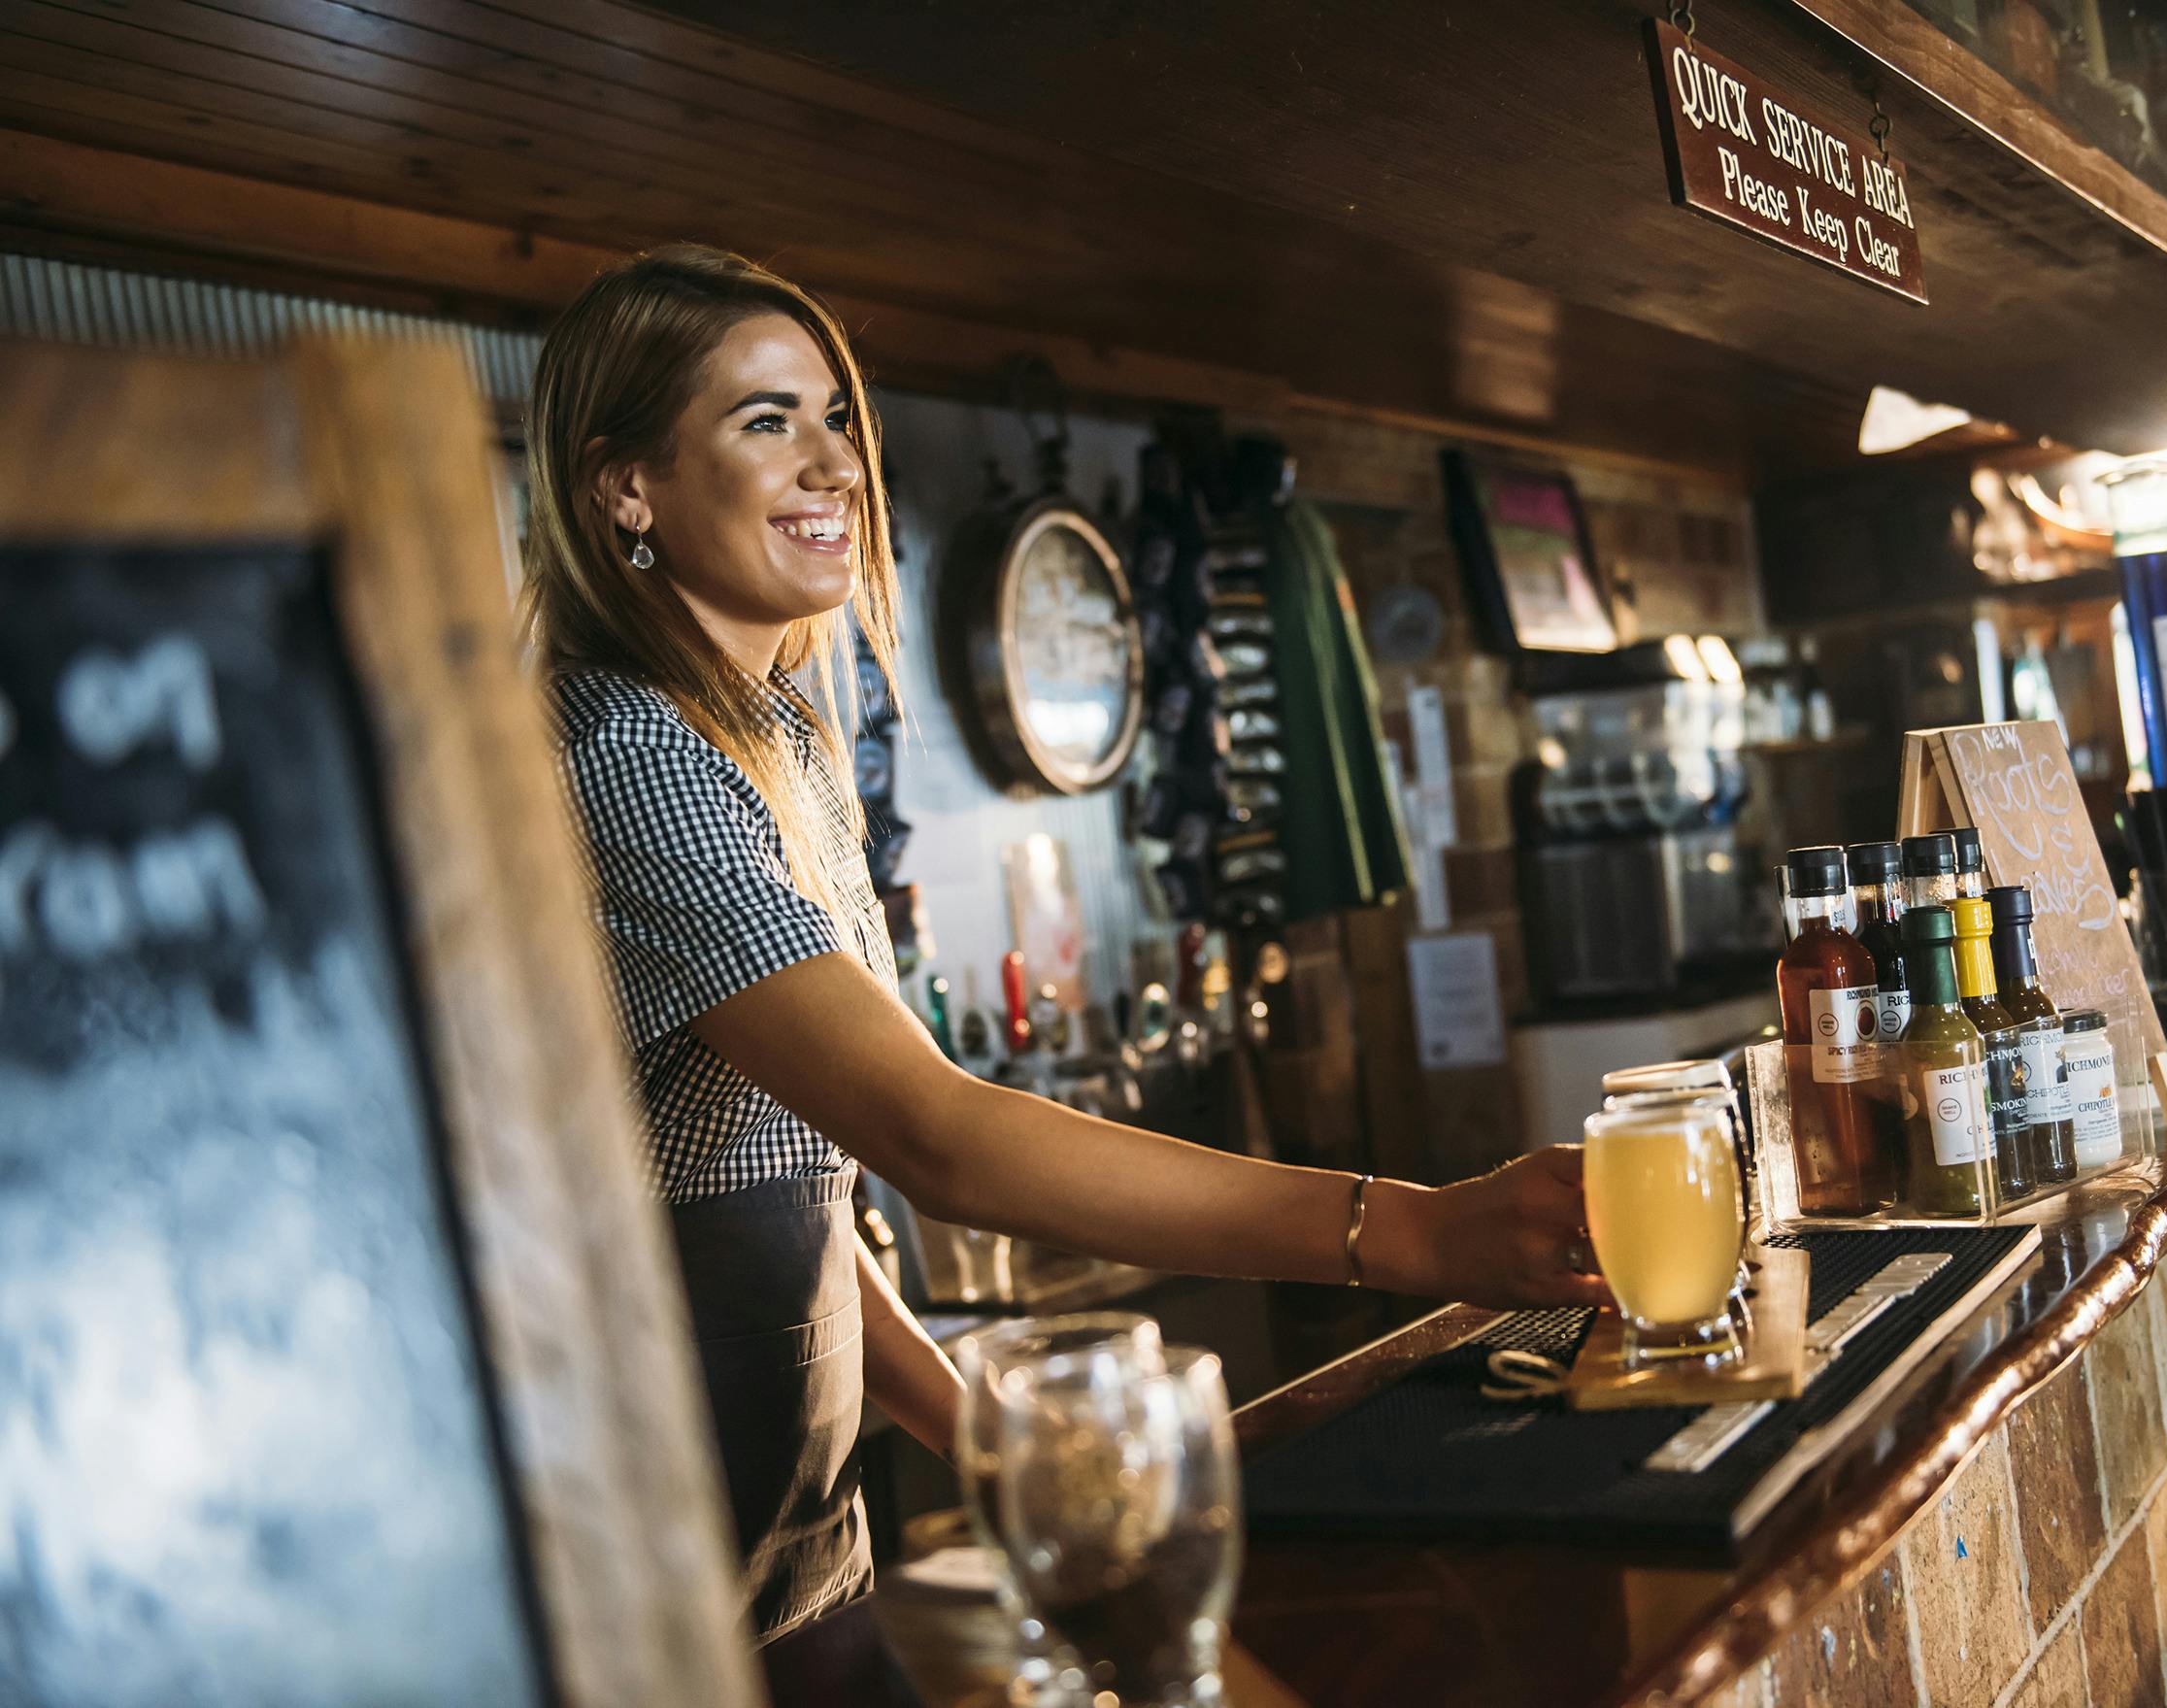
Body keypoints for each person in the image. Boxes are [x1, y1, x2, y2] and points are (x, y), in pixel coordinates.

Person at [519, 245, 1604, 1696]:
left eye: (838, 415)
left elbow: (796, 1200)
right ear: (622, 486)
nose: (834, 460)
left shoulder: (777, 743)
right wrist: (1410, 1235)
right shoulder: (630, 757)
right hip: (656, 1593)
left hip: (799, 1558)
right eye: (763, 419)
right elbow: (933, 1136)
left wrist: (987, 1434)